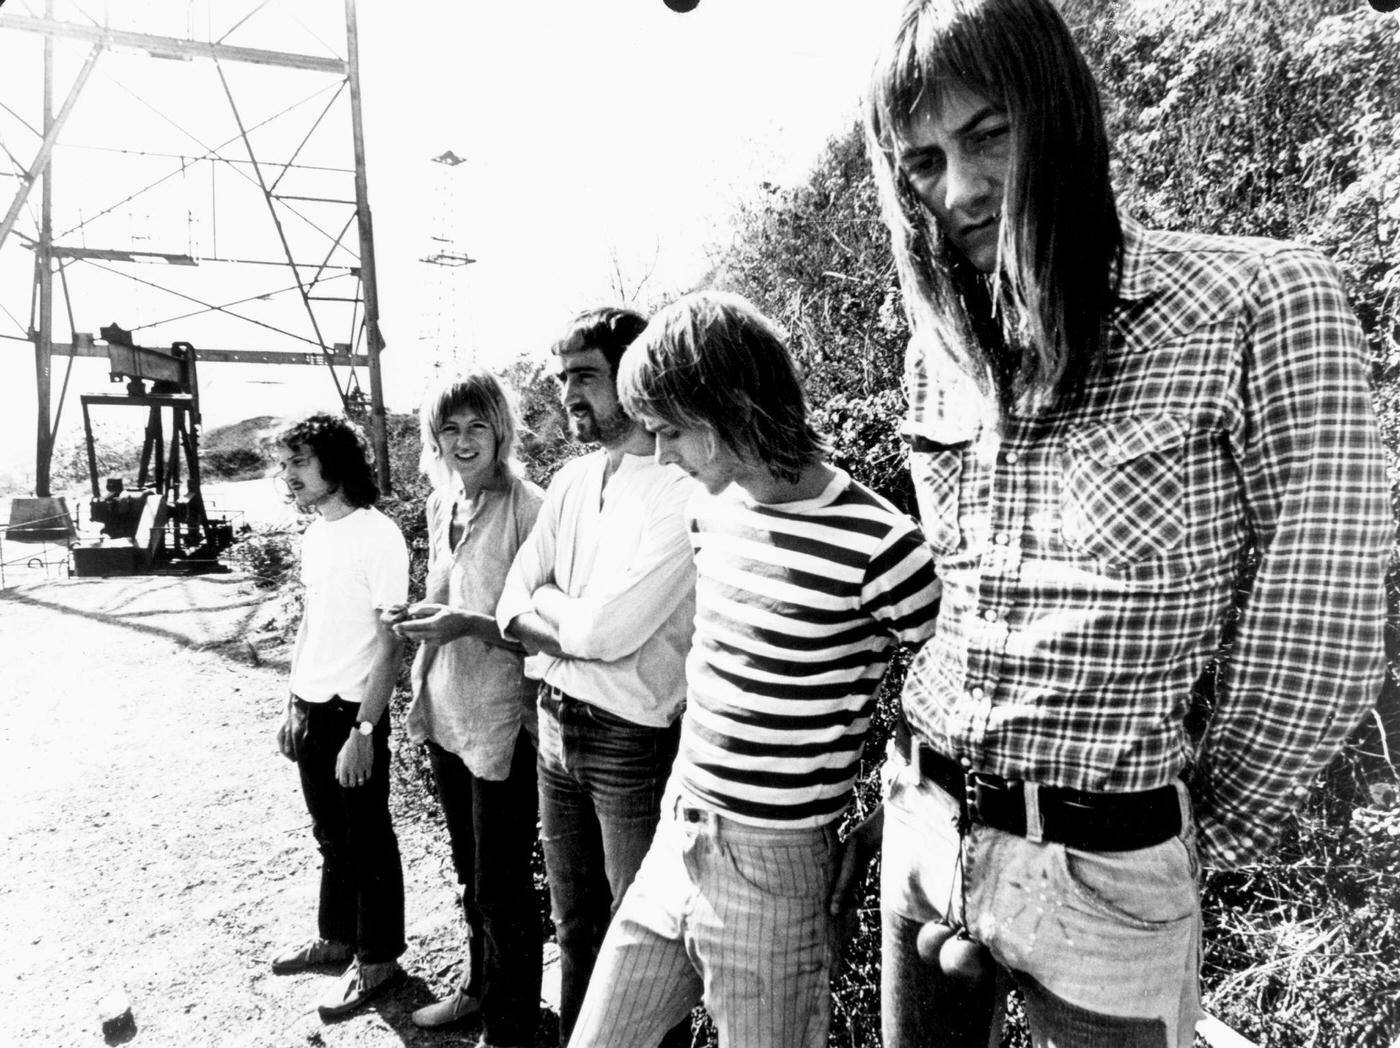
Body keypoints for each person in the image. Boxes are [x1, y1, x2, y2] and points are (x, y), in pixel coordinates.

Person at [861, 1, 1392, 1046]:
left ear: (1059, 117)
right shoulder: (940, 351)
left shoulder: (1259, 301)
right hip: (921, 826)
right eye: (920, 161)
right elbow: (962, 599)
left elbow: (1316, 628)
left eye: (987, 135)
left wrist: (1173, 833)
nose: (957, 190)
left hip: (1108, 875)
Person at [567, 291, 943, 1048]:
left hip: (776, 867)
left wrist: (884, 818)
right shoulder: (709, 512)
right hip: (676, 832)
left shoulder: (884, 545)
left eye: (670, 432)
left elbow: (955, 692)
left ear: (730, 407)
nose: (662, 455)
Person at [495, 307, 697, 1048]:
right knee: (575, 925)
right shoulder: (574, 478)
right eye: (560, 379)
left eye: (584, 376)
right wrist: (558, 616)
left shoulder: (682, 486)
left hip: (631, 740)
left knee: (641, 938)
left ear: (635, 375)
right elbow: (510, 599)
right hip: (556, 728)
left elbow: (608, 635)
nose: (567, 394)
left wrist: (549, 613)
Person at [384, 372, 545, 1046]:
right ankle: (481, 992)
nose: (463, 439)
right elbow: (444, 595)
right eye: (449, 428)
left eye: (477, 425)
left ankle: (513, 1026)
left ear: (501, 430)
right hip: (447, 712)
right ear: (434, 440)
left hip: (505, 721)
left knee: (503, 883)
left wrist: (461, 624)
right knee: (469, 871)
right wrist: (418, 621)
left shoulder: (531, 507)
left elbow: (543, 627)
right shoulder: (439, 504)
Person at [268, 412, 410, 1020]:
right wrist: (288, 704)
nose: (289, 475)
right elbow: (312, 622)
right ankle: (339, 937)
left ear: (335, 462)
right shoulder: (316, 534)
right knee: (331, 835)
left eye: (299, 462)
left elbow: (391, 643)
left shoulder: (377, 535)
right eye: (285, 464)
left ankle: (378, 957)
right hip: (309, 706)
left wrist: (366, 731)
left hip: (352, 712)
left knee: (368, 837)